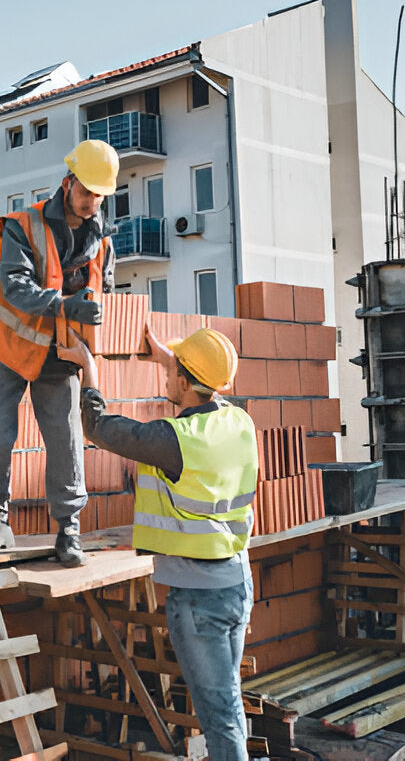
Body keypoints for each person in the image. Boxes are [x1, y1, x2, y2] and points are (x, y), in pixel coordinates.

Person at [61, 325, 257, 760]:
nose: (167, 378)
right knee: (229, 701)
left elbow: (101, 428)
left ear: (186, 383)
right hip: (237, 585)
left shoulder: (174, 441)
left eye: (174, 374)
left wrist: (89, 368)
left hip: (198, 599)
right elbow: (202, 387)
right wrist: (168, 358)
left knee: (218, 713)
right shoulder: (239, 421)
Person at [0, 139, 120, 567]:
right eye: (86, 191)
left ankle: (68, 529)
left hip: (60, 355)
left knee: (66, 439)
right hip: (10, 346)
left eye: (99, 195)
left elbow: (101, 290)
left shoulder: (104, 242)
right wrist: (64, 305)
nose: (92, 202)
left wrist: (89, 332)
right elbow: (15, 285)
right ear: (68, 183)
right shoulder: (22, 225)